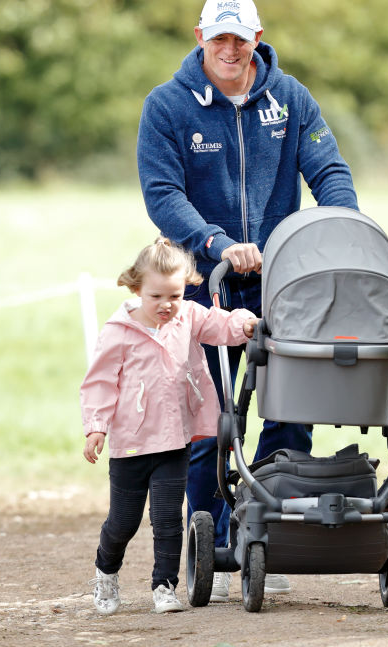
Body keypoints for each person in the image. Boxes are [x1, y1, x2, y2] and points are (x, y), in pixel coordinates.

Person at [136, 0, 358, 600]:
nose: (229, 50)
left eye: (240, 38)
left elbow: (329, 171)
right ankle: (208, 538)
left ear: (257, 38)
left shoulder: (290, 100)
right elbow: (162, 192)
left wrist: (344, 227)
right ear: (200, 38)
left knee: (291, 407)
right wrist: (213, 242)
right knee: (209, 419)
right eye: (218, 39)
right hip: (203, 284)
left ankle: (269, 531)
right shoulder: (167, 107)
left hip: (283, 284)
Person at [81, 237, 258, 615]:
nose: (166, 305)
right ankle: (106, 572)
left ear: (186, 289)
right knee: (123, 523)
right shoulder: (119, 331)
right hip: (130, 445)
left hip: (174, 440)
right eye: (156, 296)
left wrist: (245, 323)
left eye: (175, 296)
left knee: (167, 519)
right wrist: (96, 426)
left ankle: (164, 586)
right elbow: (99, 382)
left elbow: (219, 324)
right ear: (137, 289)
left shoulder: (188, 316)